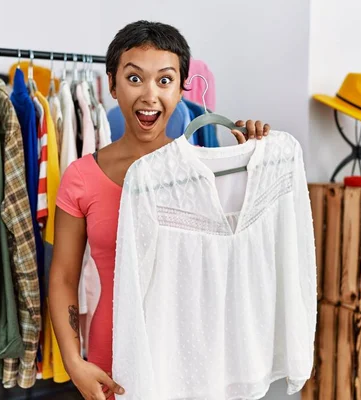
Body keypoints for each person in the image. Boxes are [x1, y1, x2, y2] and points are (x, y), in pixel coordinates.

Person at [49, 20, 270, 400]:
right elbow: (64, 276)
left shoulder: (205, 169)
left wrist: (251, 159)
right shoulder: (81, 176)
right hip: (112, 353)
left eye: (164, 80)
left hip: (194, 352)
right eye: (135, 79)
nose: (150, 95)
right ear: (113, 85)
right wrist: (73, 360)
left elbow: (243, 256)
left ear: (182, 88)